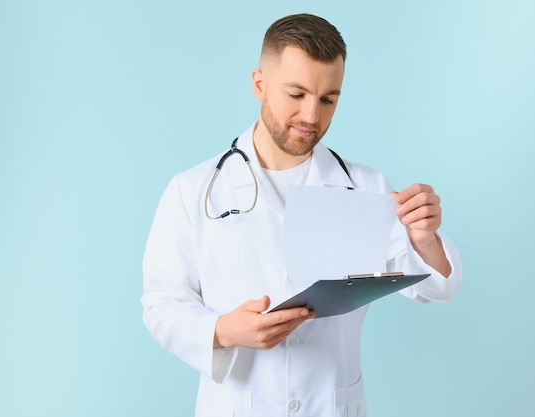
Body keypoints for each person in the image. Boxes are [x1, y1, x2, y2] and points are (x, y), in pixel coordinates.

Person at [142, 13, 462, 417]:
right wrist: (224, 331)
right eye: (296, 94)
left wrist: (425, 239)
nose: (312, 116)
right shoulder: (193, 191)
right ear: (259, 84)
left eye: (328, 99)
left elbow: (436, 289)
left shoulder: (366, 188)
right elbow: (161, 305)